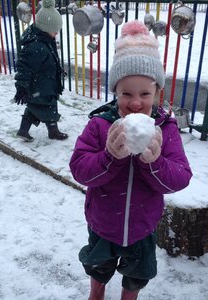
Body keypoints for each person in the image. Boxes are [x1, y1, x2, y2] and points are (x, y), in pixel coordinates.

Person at [69, 20, 192, 300]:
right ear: (115, 92)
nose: (136, 103)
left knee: (137, 274)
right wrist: (110, 157)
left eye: (145, 94)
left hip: (142, 226)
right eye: (126, 93)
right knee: (97, 266)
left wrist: (154, 162)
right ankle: (96, 293)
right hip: (103, 222)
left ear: (157, 93)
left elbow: (181, 177)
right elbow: (79, 169)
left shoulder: (165, 129)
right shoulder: (100, 126)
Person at [14, 0, 68, 142]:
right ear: (45, 28)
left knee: (34, 108)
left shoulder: (44, 40)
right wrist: (21, 86)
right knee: (49, 107)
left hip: (43, 84)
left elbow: (48, 60)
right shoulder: (36, 45)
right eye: (55, 29)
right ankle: (53, 132)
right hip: (42, 86)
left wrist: (58, 70)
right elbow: (25, 67)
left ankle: (23, 130)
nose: (57, 32)